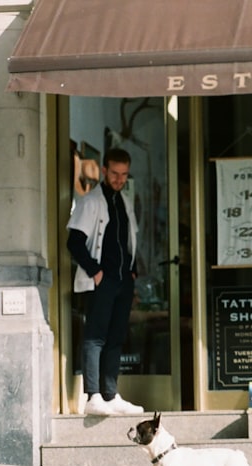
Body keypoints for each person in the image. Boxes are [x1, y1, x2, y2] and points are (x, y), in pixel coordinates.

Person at [66, 147, 144, 416]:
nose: (119, 179)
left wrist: (132, 271)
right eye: (114, 173)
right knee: (95, 337)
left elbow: (129, 241)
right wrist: (96, 272)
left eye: (124, 174)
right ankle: (93, 395)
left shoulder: (125, 201)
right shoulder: (91, 202)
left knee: (116, 337)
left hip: (122, 281)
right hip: (102, 280)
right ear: (104, 171)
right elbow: (74, 242)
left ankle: (111, 394)